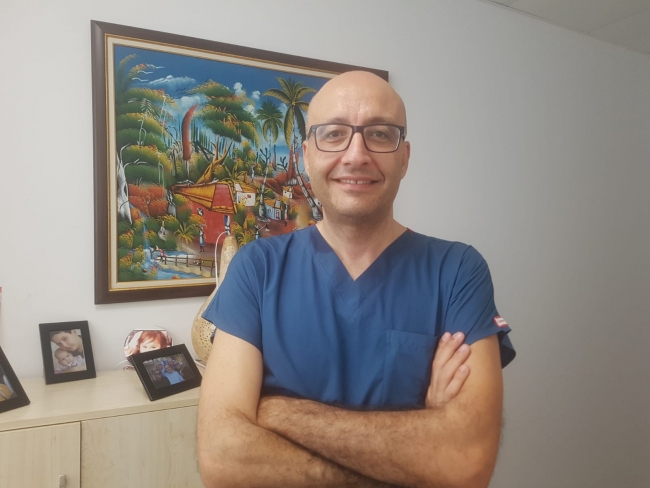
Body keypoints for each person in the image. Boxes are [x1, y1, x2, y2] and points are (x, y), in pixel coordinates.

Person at [197, 71, 516, 487]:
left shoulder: (457, 271)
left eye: (380, 134)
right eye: (334, 134)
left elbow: (466, 462)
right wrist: (417, 447)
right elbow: (222, 460)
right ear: (307, 155)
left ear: (404, 157)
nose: (356, 155)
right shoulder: (257, 269)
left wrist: (279, 413)